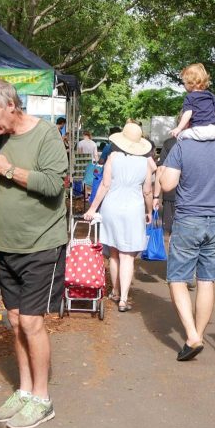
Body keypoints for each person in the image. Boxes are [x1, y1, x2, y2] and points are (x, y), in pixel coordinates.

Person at [0, 79, 67, 428]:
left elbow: (54, 185)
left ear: (11, 105)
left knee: (30, 322)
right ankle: (24, 391)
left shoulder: (46, 136)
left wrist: (7, 171)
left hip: (42, 243)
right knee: (14, 321)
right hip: (7, 243)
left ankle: (42, 399)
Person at [159, 134, 215, 360]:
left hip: (189, 220)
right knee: (206, 281)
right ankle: (197, 335)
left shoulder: (181, 148)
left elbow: (168, 185)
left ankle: (192, 335)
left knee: (178, 278)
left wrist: (161, 174)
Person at [83, 122, 156, 313]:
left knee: (114, 253)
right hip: (134, 209)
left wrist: (92, 208)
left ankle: (115, 291)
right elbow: (147, 191)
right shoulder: (145, 162)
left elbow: (105, 185)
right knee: (128, 256)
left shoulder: (113, 157)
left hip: (112, 207)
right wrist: (149, 212)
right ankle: (123, 298)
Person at [168, 63, 215, 141]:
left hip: (199, 131)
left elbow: (187, 113)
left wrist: (179, 128)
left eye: (184, 83)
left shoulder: (190, 97)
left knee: (180, 135)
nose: (184, 85)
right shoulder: (210, 95)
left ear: (191, 83)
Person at [76, 131, 99, 200]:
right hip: (91, 163)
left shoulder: (80, 143)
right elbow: (95, 155)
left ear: (84, 135)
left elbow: (80, 154)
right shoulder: (93, 143)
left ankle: (85, 194)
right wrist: (97, 164)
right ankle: (89, 194)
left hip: (83, 162)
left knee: (83, 179)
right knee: (89, 178)